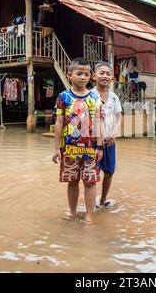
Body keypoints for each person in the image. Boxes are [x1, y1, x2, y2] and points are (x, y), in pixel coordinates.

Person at [52, 58, 104, 225]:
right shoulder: (63, 97)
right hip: (69, 149)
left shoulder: (95, 97)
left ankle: (89, 214)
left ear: (91, 76)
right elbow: (59, 123)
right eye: (79, 73)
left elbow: (98, 123)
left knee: (90, 182)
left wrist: (100, 146)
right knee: (72, 181)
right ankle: (73, 212)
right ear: (70, 75)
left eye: (87, 74)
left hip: (90, 149)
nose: (83, 77)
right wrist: (56, 148)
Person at [92, 62, 122, 207]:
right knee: (92, 174)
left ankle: (103, 200)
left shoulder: (114, 97)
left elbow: (118, 117)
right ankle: (90, 202)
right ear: (94, 76)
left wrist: (115, 132)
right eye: (101, 73)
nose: (105, 76)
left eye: (108, 74)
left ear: (112, 78)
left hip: (110, 141)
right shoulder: (89, 95)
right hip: (93, 142)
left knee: (109, 172)